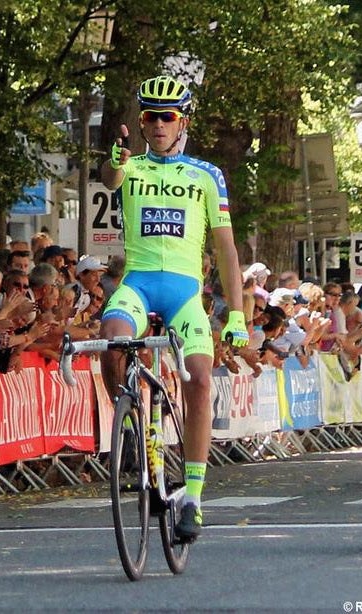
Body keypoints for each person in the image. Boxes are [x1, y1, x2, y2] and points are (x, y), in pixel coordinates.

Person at [99, 75, 249, 542]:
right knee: (112, 339)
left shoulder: (206, 175)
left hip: (185, 293)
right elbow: (111, 178)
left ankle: (195, 498)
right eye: (150, 117)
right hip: (138, 285)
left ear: (183, 121)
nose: (158, 125)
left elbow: (225, 250)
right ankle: (128, 422)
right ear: (140, 122)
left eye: (167, 117)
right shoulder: (131, 167)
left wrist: (238, 315)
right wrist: (113, 161)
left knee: (200, 379)